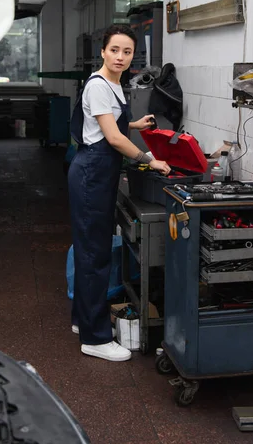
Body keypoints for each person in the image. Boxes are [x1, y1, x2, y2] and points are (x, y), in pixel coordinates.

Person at [68, 24, 171, 362]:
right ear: (103, 51)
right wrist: (148, 159)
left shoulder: (114, 84)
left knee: (91, 248)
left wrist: (135, 125)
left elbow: (105, 123)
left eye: (127, 52)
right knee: (93, 253)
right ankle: (95, 338)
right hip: (92, 173)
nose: (121, 57)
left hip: (99, 172)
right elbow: (111, 139)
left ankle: (83, 321)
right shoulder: (98, 85)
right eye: (115, 50)